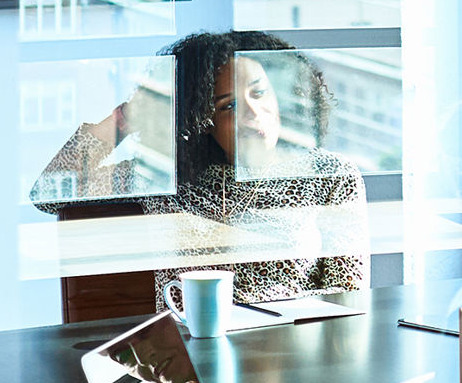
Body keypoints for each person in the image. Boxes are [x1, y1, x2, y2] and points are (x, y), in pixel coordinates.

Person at [35, 30, 369, 310]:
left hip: (291, 358)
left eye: (260, 92)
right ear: (203, 121)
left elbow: (349, 298)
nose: (253, 111)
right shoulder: (165, 176)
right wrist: (130, 116)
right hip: (187, 358)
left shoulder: (329, 176)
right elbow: (48, 192)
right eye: (229, 105)